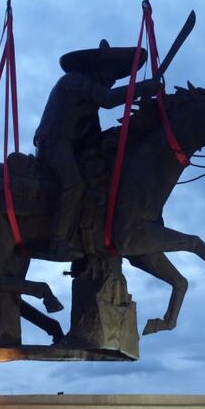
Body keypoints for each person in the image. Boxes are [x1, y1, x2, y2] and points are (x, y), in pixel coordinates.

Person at [34, 39, 159, 261]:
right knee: (74, 184)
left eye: (115, 77)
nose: (111, 79)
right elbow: (108, 100)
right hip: (54, 141)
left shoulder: (89, 105)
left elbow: (94, 138)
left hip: (72, 147)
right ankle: (59, 242)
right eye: (110, 73)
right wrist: (141, 88)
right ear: (96, 68)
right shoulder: (74, 81)